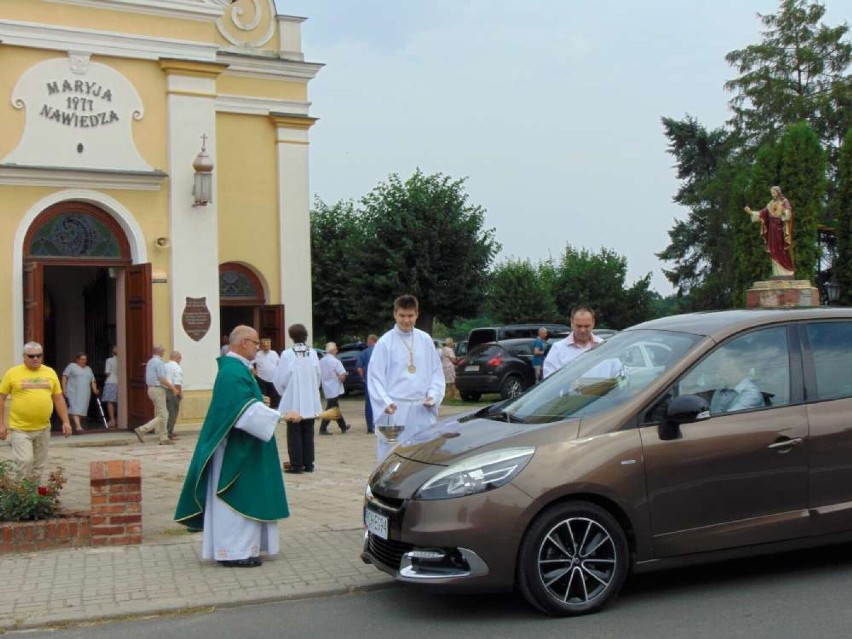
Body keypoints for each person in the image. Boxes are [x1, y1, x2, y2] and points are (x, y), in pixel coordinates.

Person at [174, 325, 289, 567]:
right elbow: (242, 411)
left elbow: (244, 401)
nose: (259, 349)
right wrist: (279, 415)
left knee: (247, 495)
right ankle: (234, 552)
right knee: (236, 498)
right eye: (256, 344)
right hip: (235, 451)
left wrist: (262, 402)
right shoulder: (232, 373)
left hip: (244, 446)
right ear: (245, 343)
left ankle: (246, 548)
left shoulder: (237, 369)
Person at [367, 294, 445, 461]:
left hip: (421, 409)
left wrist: (433, 396)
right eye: (402, 315)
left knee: (423, 454)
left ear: (417, 314)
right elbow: (375, 377)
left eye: (410, 316)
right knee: (393, 456)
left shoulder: (425, 340)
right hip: (396, 410)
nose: (406, 320)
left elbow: (436, 373)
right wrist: (384, 402)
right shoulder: (385, 342)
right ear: (395, 314)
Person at [0, 342, 72, 482]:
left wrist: (66, 422)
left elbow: (58, 398)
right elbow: (1, 398)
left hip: (43, 428)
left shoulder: (49, 372)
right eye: (31, 356)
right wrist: (1, 424)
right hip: (20, 428)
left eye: (39, 356)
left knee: (38, 467)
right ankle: (20, 495)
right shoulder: (13, 373)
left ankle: (33, 498)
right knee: (25, 461)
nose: (35, 359)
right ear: (24, 357)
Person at [273, 323, 322, 474]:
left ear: (291, 336)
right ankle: (309, 464)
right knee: (308, 432)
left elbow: (280, 378)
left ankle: (296, 464)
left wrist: (285, 392)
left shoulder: (287, 354)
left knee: (294, 432)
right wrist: (313, 391)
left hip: (293, 398)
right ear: (305, 335)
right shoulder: (312, 353)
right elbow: (318, 375)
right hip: (310, 399)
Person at [744, 185, 795, 277]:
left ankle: (787, 271)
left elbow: (788, 213)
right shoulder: (770, 203)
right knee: (773, 249)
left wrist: (784, 212)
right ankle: (777, 273)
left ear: (778, 192)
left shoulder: (784, 202)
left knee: (781, 249)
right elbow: (762, 213)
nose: (772, 194)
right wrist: (751, 212)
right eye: (771, 193)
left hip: (780, 230)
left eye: (774, 192)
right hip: (772, 230)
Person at [543, 305, 603, 378]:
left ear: (593, 323)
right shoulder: (558, 349)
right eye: (579, 326)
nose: (582, 330)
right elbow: (549, 382)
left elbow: (617, 374)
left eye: (587, 326)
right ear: (571, 322)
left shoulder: (603, 346)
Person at [134, 345, 177, 446]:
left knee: (161, 414)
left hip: (151, 389)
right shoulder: (159, 362)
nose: (164, 352)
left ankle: (163, 437)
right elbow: (162, 378)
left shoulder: (150, 361)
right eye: (163, 351)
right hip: (158, 389)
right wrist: (173, 388)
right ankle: (142, 430)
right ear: (161, 352)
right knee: (163, 415)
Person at [62, 352, 98, 434]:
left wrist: (95, 390)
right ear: (77, 359)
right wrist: (64, 389)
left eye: (85, 359)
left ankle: (76, 426)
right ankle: (78, 427)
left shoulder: (88, 369)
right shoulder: (71, 366)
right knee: (74, 407)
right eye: (82, 359)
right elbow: (64, 377)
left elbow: (93, 381)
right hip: (73, 391)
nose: (84, 361)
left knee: (81, 409)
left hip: (85, 392)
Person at [318, 342, 349, 435]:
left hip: (326, 387)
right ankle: (323, 428)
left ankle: (343, 426)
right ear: (332, 351)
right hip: (334, 387)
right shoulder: (335, 361)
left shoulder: (321, 360)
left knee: (334, 407)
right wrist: (344, 377)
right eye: (335, 349)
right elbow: (342, 375)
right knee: (331, 409)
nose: (337, 351)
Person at [357, 334, 378, 433]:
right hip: (382, 382)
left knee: (369, 404)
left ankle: (370, 427)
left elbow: (359, 368)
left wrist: (363, 378)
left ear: (370, 341)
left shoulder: (364, 352)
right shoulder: (381, 351)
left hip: (369, 381)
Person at [253, 338, 281, 409]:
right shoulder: (257, 354)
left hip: (273, 379)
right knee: (263, 399)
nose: (266, 347)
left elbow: (279, 364)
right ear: (261, 346)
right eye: (264, 346)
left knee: (275, 399)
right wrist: (254, 371)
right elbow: (250, 364)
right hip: (261, 379)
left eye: (268, 346)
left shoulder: (274, 353)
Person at [164, 350, 183, 441]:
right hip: (173, 391)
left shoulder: (165, 365)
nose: (180, 359)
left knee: (167, 412)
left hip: (165, 390)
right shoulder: (177, 367)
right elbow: (177, 382)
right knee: (173, 412)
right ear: (177, 357)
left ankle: (166, 430)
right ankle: (169, 432)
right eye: (180, 357)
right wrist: (179, 393)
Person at [102, 345, 118, 428]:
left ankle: (112, 420)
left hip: (111, 382)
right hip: (120, 383)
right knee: (119, 402)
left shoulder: (109, 360)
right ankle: (119, 419)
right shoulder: (123, 360)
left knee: (110, 402)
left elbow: (107, 372)